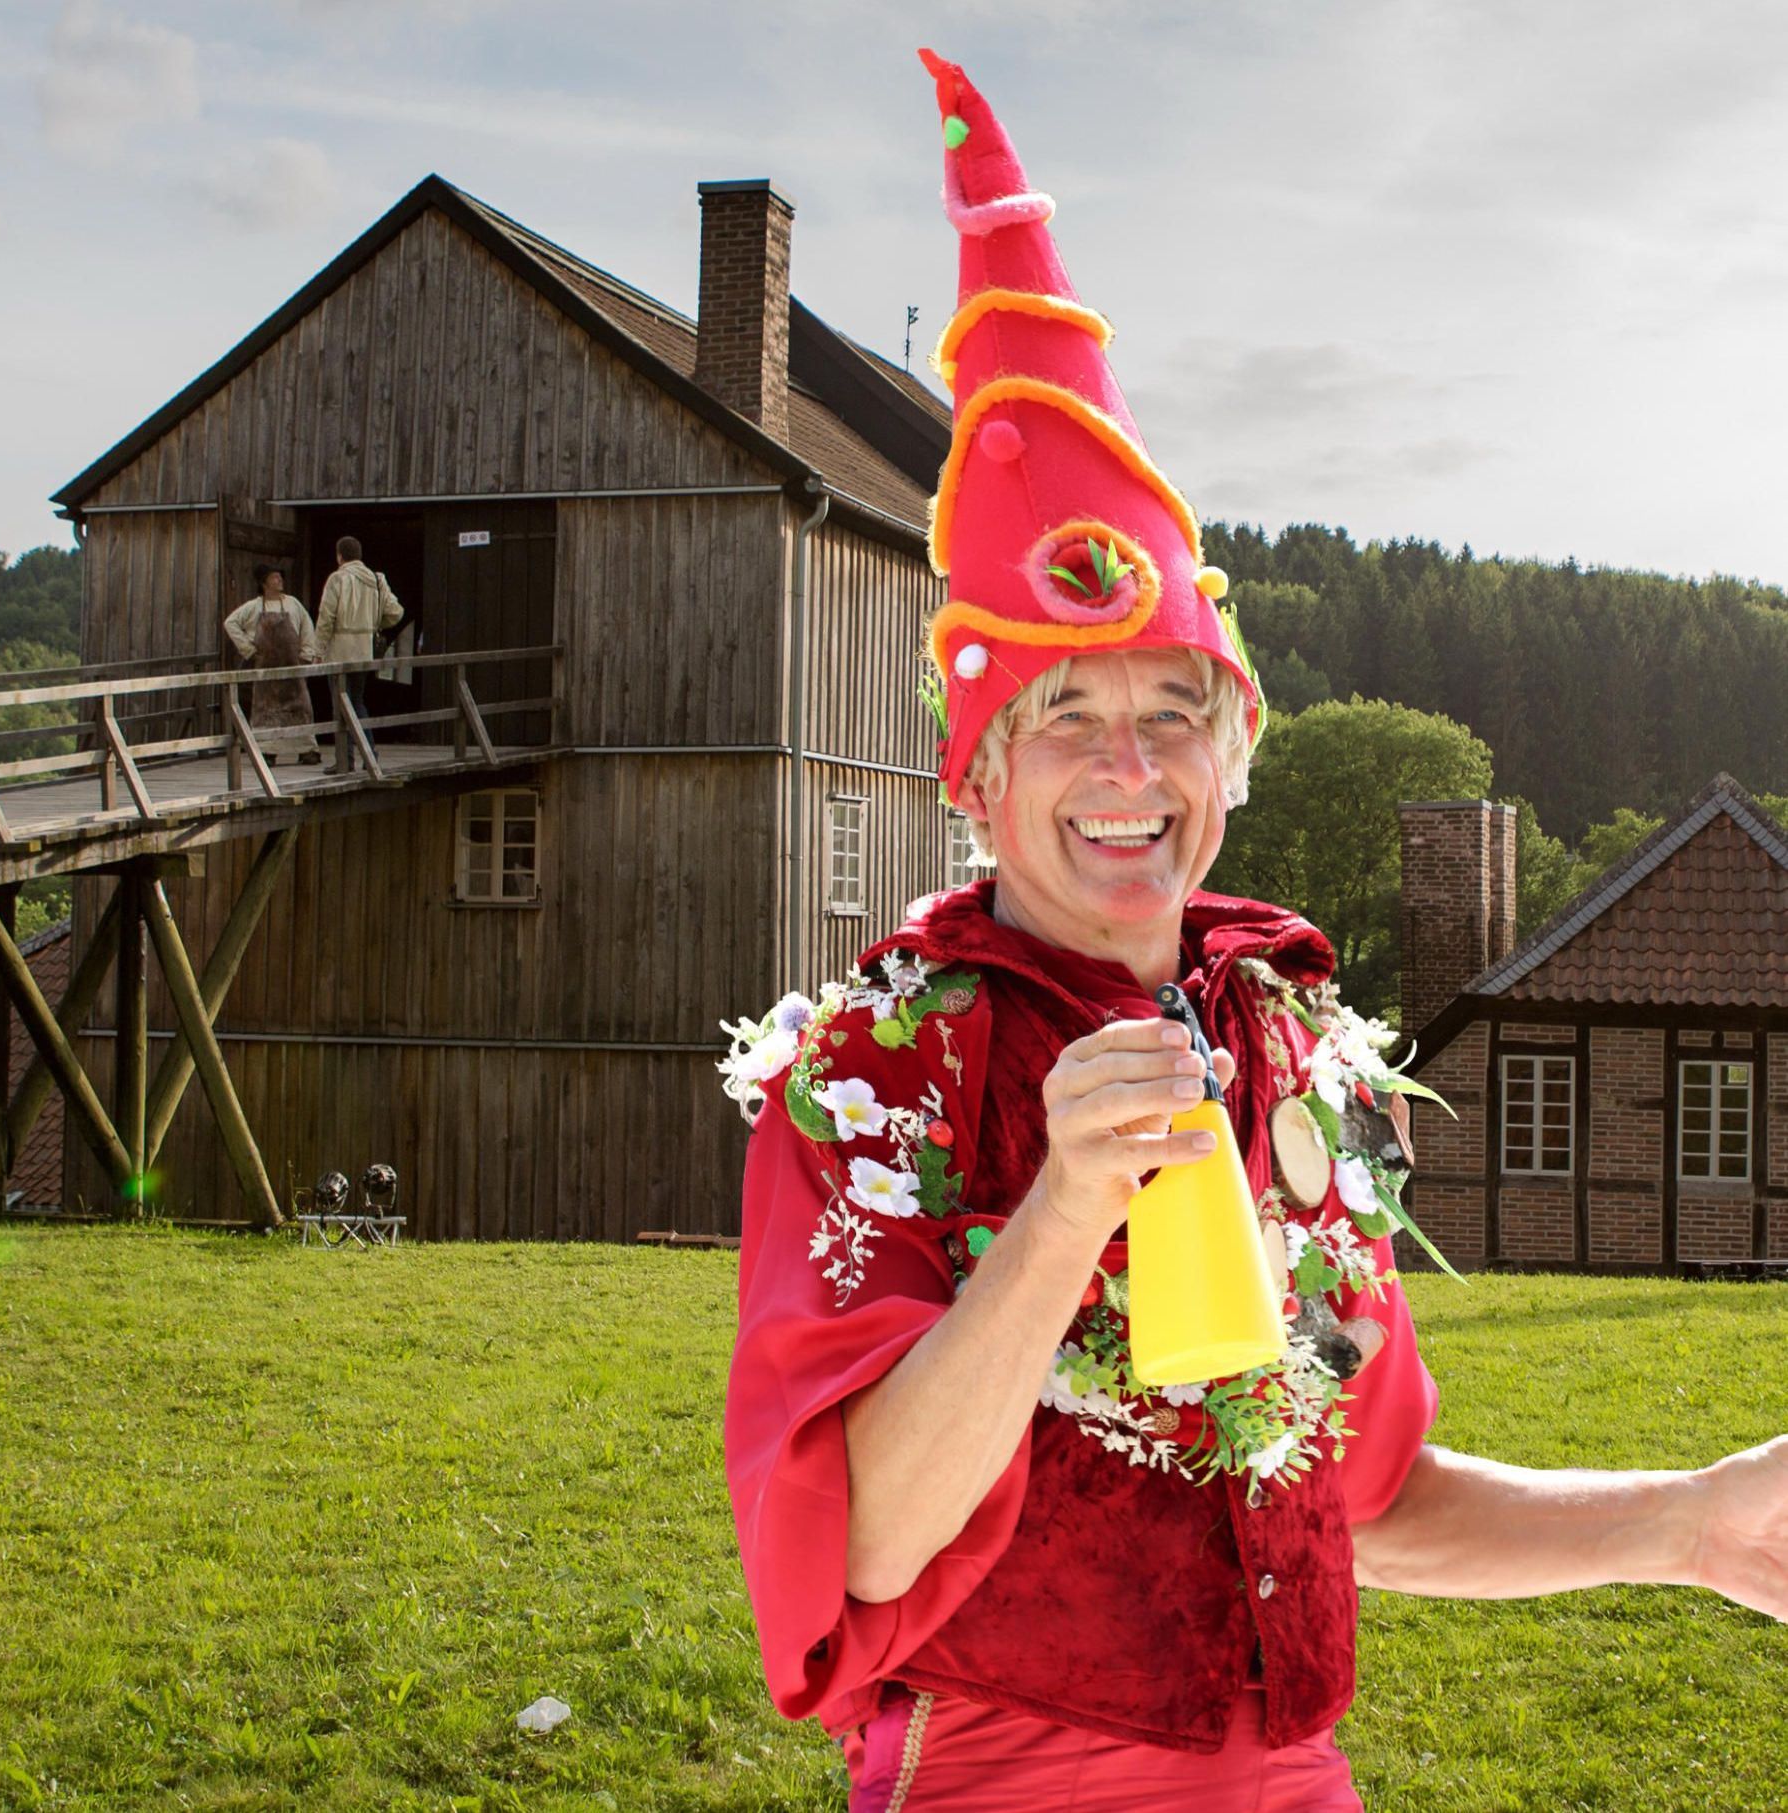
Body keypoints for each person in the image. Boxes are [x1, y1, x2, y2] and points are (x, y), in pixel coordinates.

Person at [719, 50, 1788, 1812]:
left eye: (1173, 707)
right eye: (1064, 712)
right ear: (972, 777)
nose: (1127, 763)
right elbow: (866, 1541)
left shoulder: (1286, 1046)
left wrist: (1686, 1522)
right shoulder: (868, 1078)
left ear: (1232, 749)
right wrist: (1061, 1203)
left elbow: (1351, 1496)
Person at [223, 564, 320, 764]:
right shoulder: (254, 607)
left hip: (292, 667)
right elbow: (230, 623)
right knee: (265, 712)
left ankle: (307, 750)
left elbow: (307, 627)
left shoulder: (293, 604)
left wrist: (307, 653)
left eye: (279, 577)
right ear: (263, 583)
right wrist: (248, 649)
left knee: (300, 708)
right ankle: (267, 751)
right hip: (265, 670)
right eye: (274, 577)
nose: (279, 580)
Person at [315, 535, 403, 720]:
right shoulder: (376, 580)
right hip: (364, 649)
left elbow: (326, 617)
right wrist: (374, 624)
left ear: (340, 556)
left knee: (340, 704)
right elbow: (395, 612)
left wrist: (318, 650)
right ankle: (368, 749)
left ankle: (346, 750)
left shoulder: (337, 579)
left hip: (340, 651)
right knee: (357, 701)